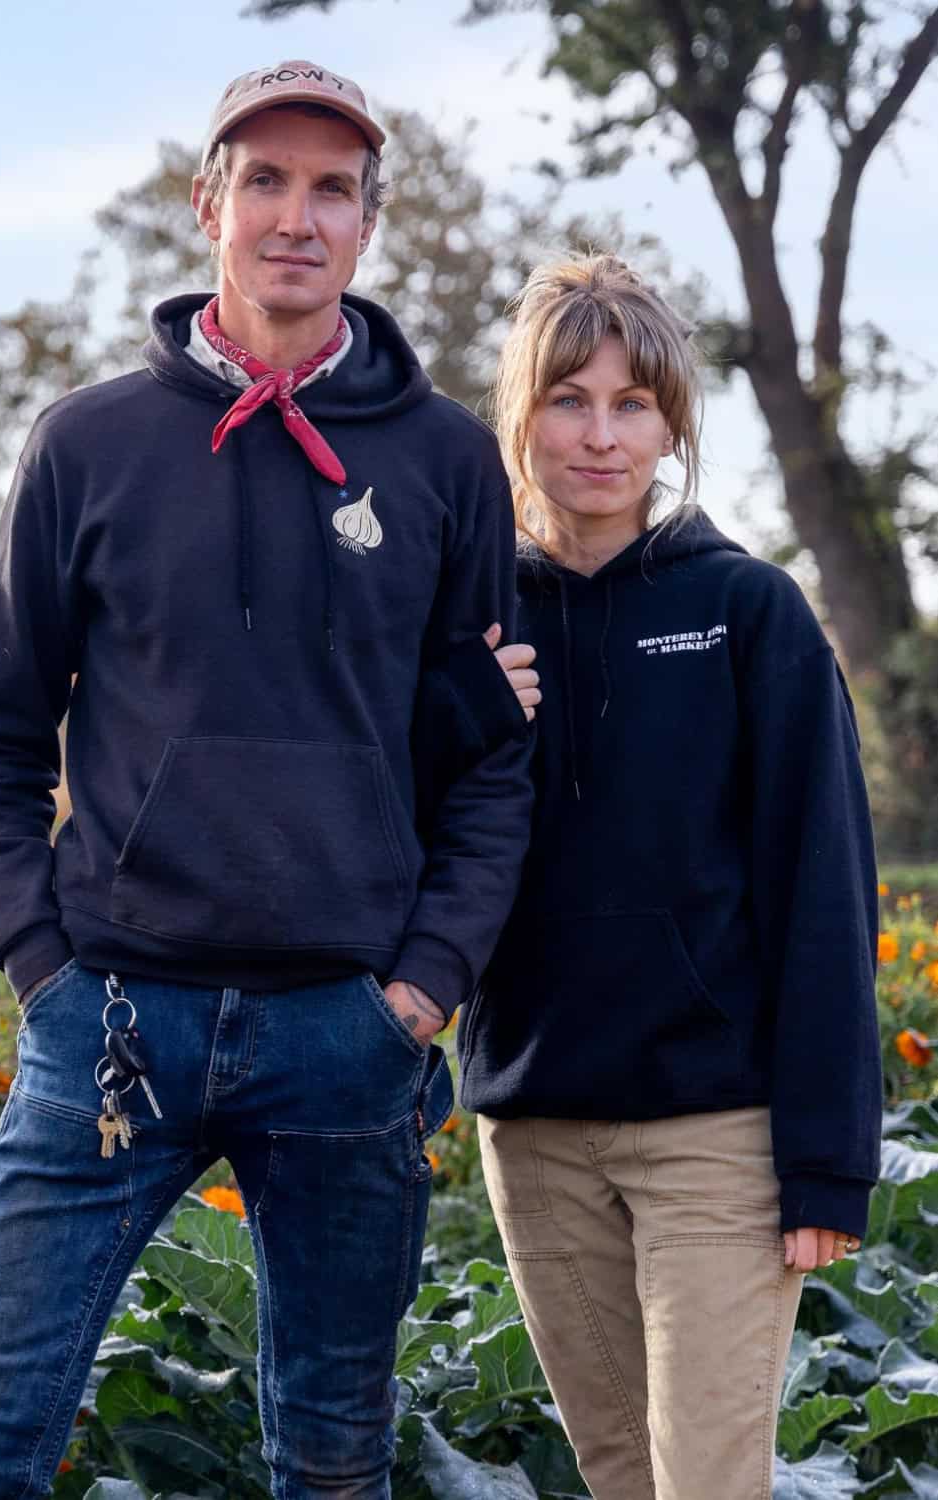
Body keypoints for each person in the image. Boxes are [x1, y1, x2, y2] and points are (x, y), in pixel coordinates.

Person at [0, 61, 533, 1500]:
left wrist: (422, 989)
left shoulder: (446, 463)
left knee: (332, 1463)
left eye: (333, 188)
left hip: (349, 1035)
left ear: (370, 226)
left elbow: (494, 768)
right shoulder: (88, 445)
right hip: (112, 1029)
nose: (296, 217)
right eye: (265, 180)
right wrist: (46, 973)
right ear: (208, 204)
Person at [455, 253, 883, 1500]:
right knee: (619, 1477)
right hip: (535, 1137)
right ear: (518, 415)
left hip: (716, 1138)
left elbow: (827, 892)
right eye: (567, 400)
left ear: (672, 424)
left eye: (631, 403)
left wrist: (825, 1162)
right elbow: (409, 847)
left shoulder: (750, 612)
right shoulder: (474, 623)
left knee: (705, 1481)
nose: (599, 436)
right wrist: (456, 710)